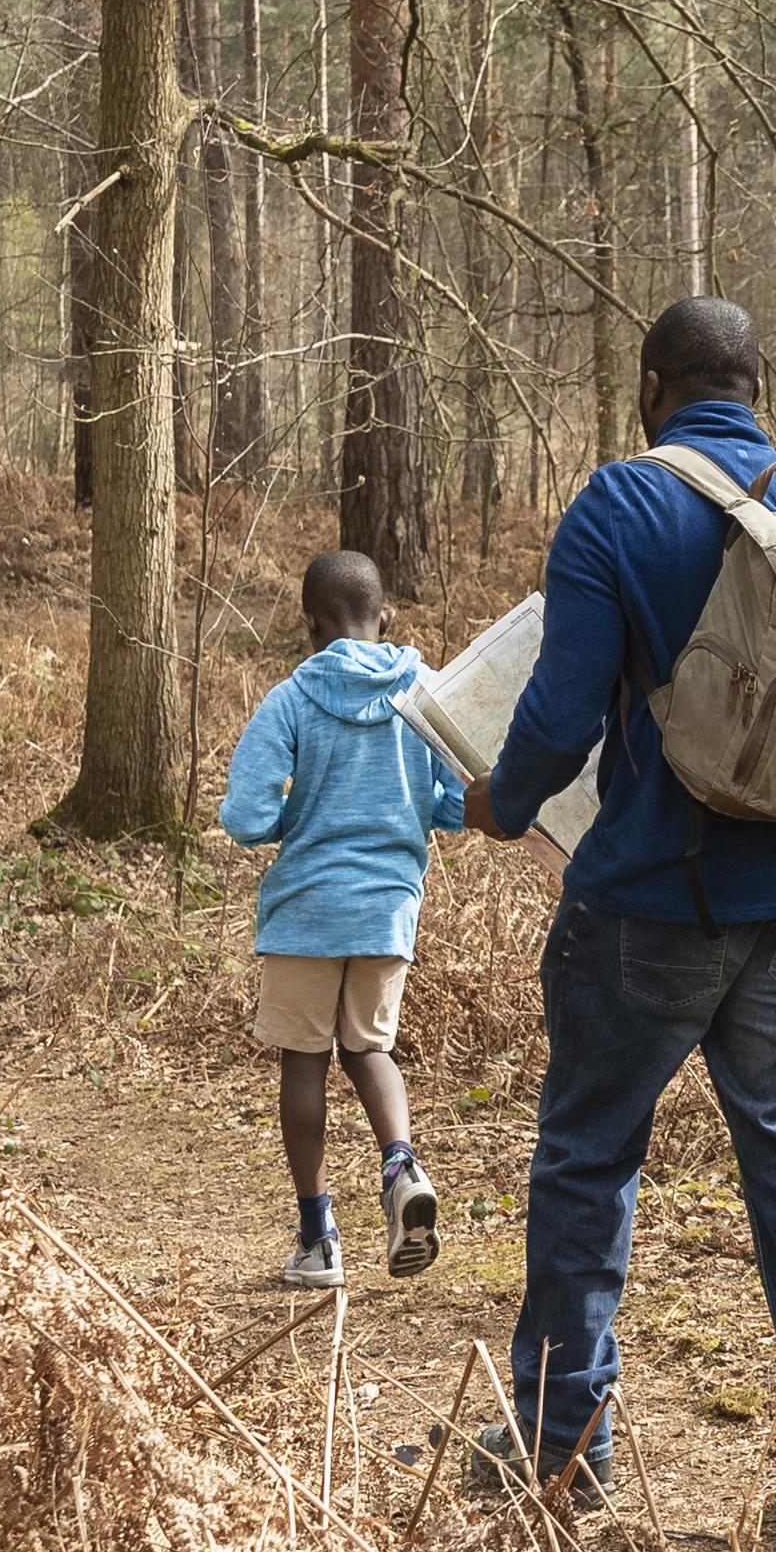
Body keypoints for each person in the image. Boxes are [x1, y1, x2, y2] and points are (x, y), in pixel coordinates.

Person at [465, 296, 776, 1547]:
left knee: (585, 1159)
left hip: (650, 897)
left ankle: (561, 1445)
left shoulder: (619, 502)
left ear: (653, 386)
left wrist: (500, 805)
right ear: (754, 383)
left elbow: (558, 716)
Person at [216, 547, 474, 1290]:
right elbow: (458, 802)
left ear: (308, 625)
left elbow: (244, 815)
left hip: (306, 908)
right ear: (384, 615)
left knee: (305, 1061)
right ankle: (400, 1163)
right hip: (389, 905)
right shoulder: (424, 691)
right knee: (369, 1049)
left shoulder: (291, 700)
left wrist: (294, 822)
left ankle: (317, 1238)